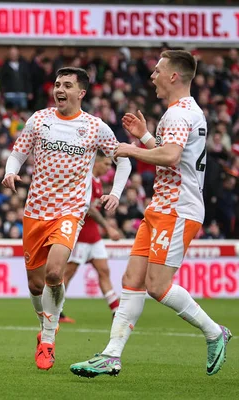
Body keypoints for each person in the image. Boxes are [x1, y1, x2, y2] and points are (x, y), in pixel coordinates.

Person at [70, 50, 232, 378]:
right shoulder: (188, 111)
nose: (152, 76)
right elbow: (179, 156)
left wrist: (130, 149)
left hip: (177, 209)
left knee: (157, 286)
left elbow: (171, 157)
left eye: (157, 71)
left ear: (174, 76)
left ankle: (215, 331)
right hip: (161, 207)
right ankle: (111, 356)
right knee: (132, 280)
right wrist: (145, 137)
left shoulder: (177, 115)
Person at [1, 67, 131, 371]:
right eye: (58, 84)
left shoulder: (95, 126)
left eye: (67, 85)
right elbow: (18, 152)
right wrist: (10, 171)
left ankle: (48, 340)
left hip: (70, 211)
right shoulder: (39, 119)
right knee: (35, 286)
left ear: (81, 93)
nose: (60, 89)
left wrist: (116, 192)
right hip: (36, 211)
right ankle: (46, 324)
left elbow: (122, 158)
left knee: (54, 272)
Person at [60, 151, 122, 324]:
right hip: (80, 236)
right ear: (97, 163)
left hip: (93, 236)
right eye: (107, 164)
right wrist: (108, 227)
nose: (109, 168)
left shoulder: (98, 182)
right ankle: (55, 310)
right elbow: (89, 209)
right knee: (68, 273)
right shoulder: (85, 179)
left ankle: (116, 311)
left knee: (104, 271)